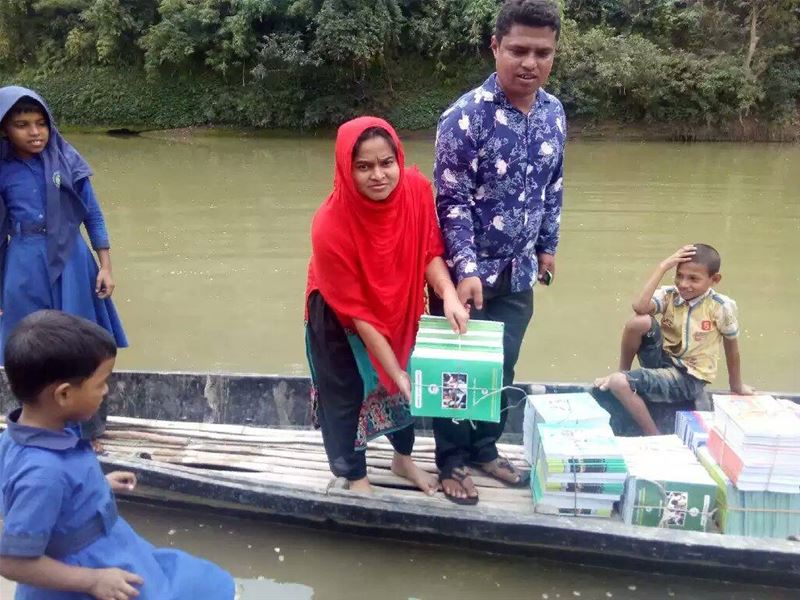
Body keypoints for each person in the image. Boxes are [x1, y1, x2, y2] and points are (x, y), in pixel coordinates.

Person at [0, 310, 235, 599]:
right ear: (63, 395)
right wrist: (91, 581)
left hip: (106, 546)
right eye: (100, 383)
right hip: (81, 575)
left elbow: (52, 496)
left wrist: (98, 485)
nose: (106, 390)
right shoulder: (42, 473)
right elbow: (12, 561)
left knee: (190, 581)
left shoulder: (27, 433)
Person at [431, 0, 566, 503]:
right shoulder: (465, 117)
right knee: (458, 373)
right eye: (518, 50)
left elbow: (554, 186)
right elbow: (450, 201)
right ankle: (451, 461)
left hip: (521, 271)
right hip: (466, 277)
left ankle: (485, 449)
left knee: (502, 367)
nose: (530, 62)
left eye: (542, 52)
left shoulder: (554, 113)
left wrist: (547, 246)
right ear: (495, 47)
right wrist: (465, 268)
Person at [305, 116, 469, 496]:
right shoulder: (328, 225)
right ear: (347, 169)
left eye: (386, 163)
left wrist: (447, 294)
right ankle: (356, 476)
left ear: (399, 158)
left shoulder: (415, 190)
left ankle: (402, 459)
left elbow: (429, 250)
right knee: (347, 394)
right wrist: (394, 372)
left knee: (404, 381)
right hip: (340, 316)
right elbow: (360, 314)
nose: (378, 175)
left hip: (399, 298)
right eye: (364, 166)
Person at [0, 86, 127, 362]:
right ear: (4, 129)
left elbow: (92, 214)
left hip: (73, 258)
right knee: (25, 341)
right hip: (24, 260)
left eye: (41, 123)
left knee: (77, 340)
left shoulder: (67, 160)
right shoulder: (2, 167)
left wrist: (106, 267)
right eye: (22, 125)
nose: (35, 132)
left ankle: (77, 398)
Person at [595, 244, 754, 435]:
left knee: (619, 383)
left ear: (715, 279)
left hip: (689, 377)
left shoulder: (720, 307)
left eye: (693, 279)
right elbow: (640, 307)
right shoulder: (670, 295)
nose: (684, 284)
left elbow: (732, 347)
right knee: (639, 322)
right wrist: (662, 267)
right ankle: (623, 372)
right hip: (663, 362)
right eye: (680, 275)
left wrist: (736, 386)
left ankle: (653, 435)